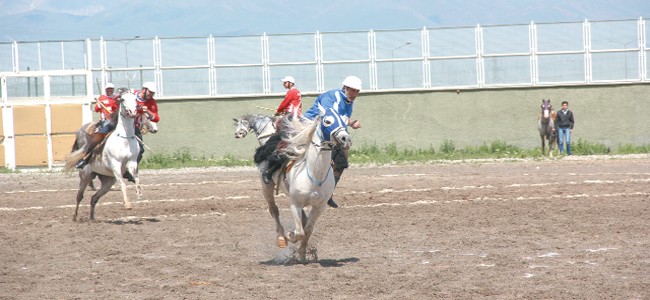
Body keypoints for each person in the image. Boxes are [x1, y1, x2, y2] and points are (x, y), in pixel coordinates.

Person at [260, 75, 363, 208]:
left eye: (356, 91)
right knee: (292, 146)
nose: (354, 94)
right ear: (344, 88)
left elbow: (338, 122)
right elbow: (329, 116)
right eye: (352, 90)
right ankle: (269, 169)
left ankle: (329, 194)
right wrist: (351, 122)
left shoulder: (350, 102)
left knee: (342, 160)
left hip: (328, 132)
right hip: (309, 125)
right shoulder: (331, 96)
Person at [75, 83, 121, 169]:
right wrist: (100, 104)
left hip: (114, 120)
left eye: (111, 89)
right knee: (98, 137)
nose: (110, 90)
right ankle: (86, 158)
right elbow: (96, 109)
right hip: (105, 121)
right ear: (106, 90)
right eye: (108, 89)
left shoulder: (116, 99)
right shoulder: (102, 98)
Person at [133, 82, 161, 164]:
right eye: (150, 92)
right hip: (122, 125)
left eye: (153, 93)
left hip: (135, 128)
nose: (151, 94)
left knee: (140, 150)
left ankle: (130, 171)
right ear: (144, 89)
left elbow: (156, 118)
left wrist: (148, 111)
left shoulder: (151, 102)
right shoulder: (132, 94)